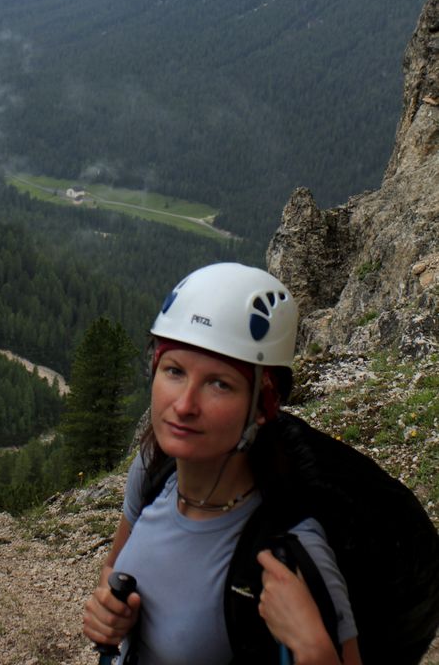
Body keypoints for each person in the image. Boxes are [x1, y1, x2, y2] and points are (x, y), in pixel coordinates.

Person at [83, 262, 363, 665]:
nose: (184, 405)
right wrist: (109, 610)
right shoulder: (152, 471)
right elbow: (115, 566)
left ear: (264, 407)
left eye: (220, 384)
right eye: (174, 371)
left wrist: (315, 649)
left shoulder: (292, 551)